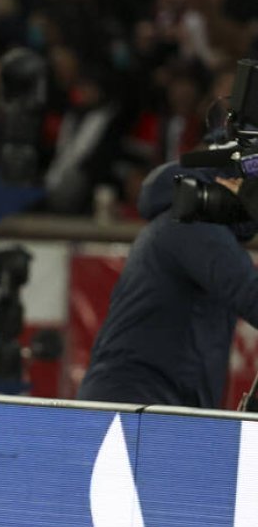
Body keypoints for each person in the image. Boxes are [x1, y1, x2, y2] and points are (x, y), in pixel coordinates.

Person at [78, 160, 258, 408]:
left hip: (142, 403)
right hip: (141, 405)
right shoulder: (193, 224)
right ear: (218, 182)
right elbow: (251, 294)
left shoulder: (180, 224)